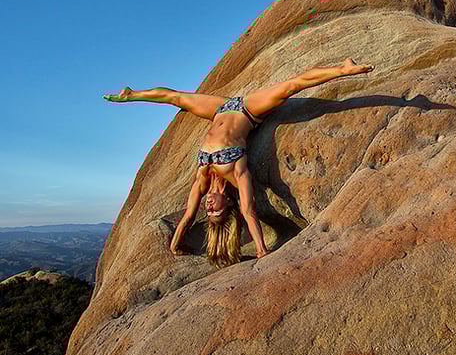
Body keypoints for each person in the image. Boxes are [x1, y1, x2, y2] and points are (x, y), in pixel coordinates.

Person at [104, 58, 374, 264]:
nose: (209, 207)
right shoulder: (238, 173)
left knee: (177, 98)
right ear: (228, 203)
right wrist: (260, 249)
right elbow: (249, 211)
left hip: (220, 109)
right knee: (290, 85)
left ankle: (133, 94)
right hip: (247, 110)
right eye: (216, 211)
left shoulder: (201, 182)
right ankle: (343, 69)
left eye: (208, 211)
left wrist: (175, 245)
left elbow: (187, 217)